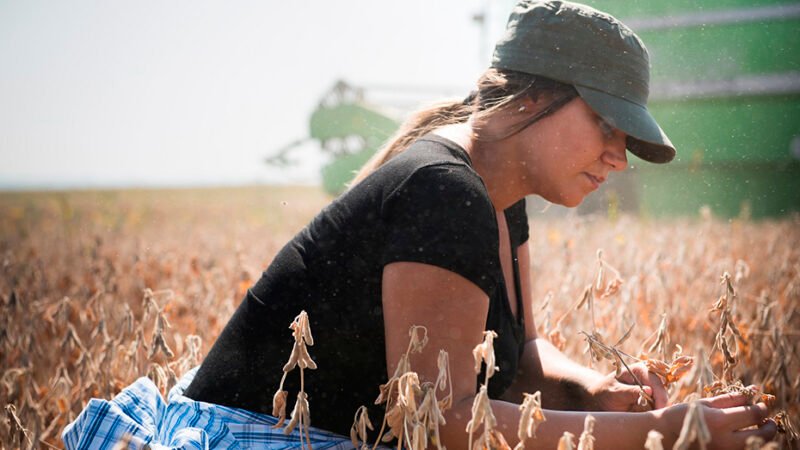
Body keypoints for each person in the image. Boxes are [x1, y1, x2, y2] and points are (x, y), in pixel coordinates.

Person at [64, 1, 777, 449]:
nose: (620, 158)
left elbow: (520, 354)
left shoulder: (499, 198)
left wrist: (593, 392)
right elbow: (448, 422)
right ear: (535, 99)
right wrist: (663, 431)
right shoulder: (444, 193)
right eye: (608, 126)